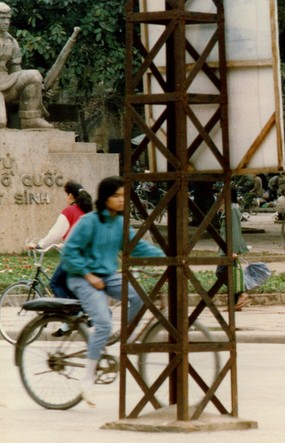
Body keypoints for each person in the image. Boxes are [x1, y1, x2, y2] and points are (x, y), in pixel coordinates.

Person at [60, 177, 165, 407]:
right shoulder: (89, 222)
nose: (121, 200)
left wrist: (166, 256)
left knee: (139, 297)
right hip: (82, 278)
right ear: (105, 198)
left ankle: (124, 339)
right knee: (104, 324)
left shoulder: (119, 223)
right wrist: (89, 276)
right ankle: (87, 378)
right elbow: (68, 252)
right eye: (116, 196)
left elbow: (135, 246)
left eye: (123, 196)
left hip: (107, 276)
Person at [27, 181, 93, 298]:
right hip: (87, 256)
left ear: (70, 196)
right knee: (67, 285)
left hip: (74, 256)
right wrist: (64, 245)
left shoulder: (69, 211)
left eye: (66, 195)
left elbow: (55, 234)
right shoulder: (86, 212)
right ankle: (78, 309)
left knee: (55, 283)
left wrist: (39, 245)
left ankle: (67, 313)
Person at [0, 3, 53, 129]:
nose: (6, 22)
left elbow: (16, 71)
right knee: (1, 122)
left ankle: (31, 119)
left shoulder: (11, 42)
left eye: (8, 18)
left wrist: (39, 87)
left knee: (33, 75)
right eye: (2, 18)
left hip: (5, 82)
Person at [215, 185, 250, 311]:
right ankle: (235, 304)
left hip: (229, 248)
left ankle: (241, 294)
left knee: (221, 272)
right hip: (226, 247)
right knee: (231, 273)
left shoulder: (232, 208)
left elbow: (235, 229)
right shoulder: (228, 207)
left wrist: (234, 250)